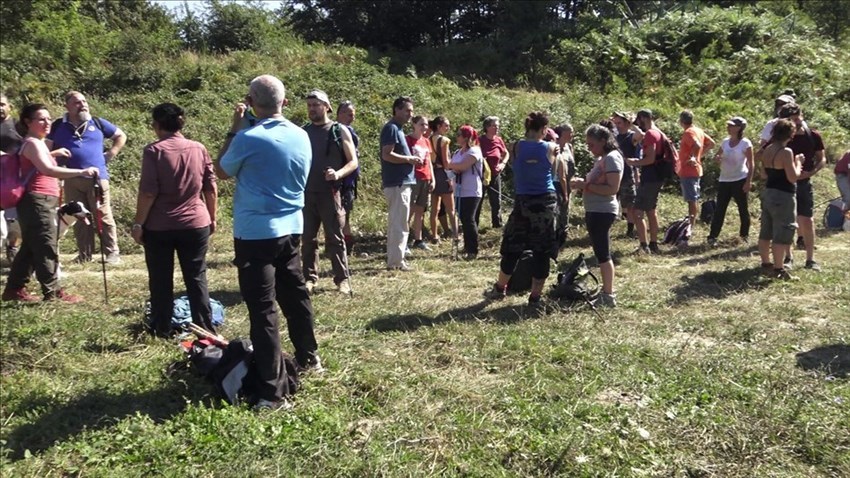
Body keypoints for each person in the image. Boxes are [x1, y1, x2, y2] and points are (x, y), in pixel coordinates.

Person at [215, 75, 321, 410]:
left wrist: (234, 128)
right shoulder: (302, 135)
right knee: (295, 293)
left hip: (256, 232)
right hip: (292, 227)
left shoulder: (247, 138)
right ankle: (309, 357)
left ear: (250, 102)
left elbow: (221, 171)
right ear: (285, 103)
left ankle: (272, 392)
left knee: (263, 309)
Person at [131, 103, 218, 336]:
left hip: (160, 226)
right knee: (196, 276)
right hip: (195, 222)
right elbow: (210, 187)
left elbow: (148, 192)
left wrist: (138, 223)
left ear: (157, 124)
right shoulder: (199, 148)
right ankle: (205, 327)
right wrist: (212, 217)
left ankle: (161, 327)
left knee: (160, 278)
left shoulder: (154, 151)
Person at [1, 103, 98, 302]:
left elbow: (37, 164)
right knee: (46, 245)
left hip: (39, 200)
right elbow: (47, 170)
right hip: (37, 201)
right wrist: (82, 172)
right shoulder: (33, 144)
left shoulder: (35, 143)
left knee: (30, 247)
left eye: (49, 118)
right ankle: (53, 292)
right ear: (28, 122)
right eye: (41, 119)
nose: (47, 123)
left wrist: (54, 154)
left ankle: (13, 290)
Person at [484, 112, 561, 305]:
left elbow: (513, 164)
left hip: (523, 201)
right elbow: (553, 170)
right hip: (545, 202)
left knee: (512, 246)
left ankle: (500, 288)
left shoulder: (515, 146)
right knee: (542, 250)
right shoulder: (551, 147)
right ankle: (535, 297)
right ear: (544, 129)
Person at [47, 91, 127, 264]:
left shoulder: (97, 122)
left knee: (102, 214)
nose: (83, 105)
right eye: (77, 102)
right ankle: (85, 254)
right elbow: (46, 148)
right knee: (79, 216)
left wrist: (111, 153)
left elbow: (121, 136)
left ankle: (112, 254)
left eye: (84, 101)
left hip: (97, 178)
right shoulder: (58, 125)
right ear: (67, 106)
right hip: (70, 177)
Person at [302, 90, 358, 295]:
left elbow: (353, 161)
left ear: (326, 106)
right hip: (307, 192)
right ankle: (309, 278)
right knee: (308, 238)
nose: (312, 109)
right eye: (309, 105)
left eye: (316, 105)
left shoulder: (338, 130)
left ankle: (342, 280)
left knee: (335, 237)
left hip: (330, 192)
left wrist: (338, 174)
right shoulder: (303, 131)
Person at [570, 124, 624, 307]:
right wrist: (583, 184)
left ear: (603, 141)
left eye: (592, 144)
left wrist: (585, 185)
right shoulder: (603, 158)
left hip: (603, 211)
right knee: (601, 253)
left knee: (603, 254)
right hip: (595, 210)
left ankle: (608, 295)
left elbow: (612, 188)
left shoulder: (612, 158)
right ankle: (606, 291)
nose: (589, 148)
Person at [778, 103, 825, 271]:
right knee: (786, 220)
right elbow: (765, 154)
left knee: (807, 220)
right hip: (784, 183)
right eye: (792, 120)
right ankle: (788, 257)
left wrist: (811, 172)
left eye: (797, 118)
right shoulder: (780, 137)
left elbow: (822, 158)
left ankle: (810, 259)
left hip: (804, 183)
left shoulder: (813, 135)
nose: (796, 123)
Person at [757, 119, 802, 280]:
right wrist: (798, 163)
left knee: (766, 231)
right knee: (782, 232)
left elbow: (764, 175)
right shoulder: (786, 152)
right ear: (790, 134)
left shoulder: (768, 149)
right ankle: (779, 269)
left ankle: (765, 264)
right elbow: (792, 177)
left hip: (768, 193)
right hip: (783, 196)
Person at [380, 96, 420, 271]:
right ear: (396, 110)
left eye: (412, 111)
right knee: (399, 223)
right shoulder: (391, 128)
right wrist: (409, 159)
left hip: (401, 182)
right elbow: (387, 154)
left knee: (400, 222)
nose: (410, 114)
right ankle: (396, 262)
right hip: (397, 183)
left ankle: (397, 259)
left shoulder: (398, 129)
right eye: (407, 110)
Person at [626, 109, 668, 254]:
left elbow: (650, 159)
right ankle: (653, 244)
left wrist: (634, 162)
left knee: (637, 211)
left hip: (650, 178)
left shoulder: (650, 134)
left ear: (643, 118)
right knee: (651, 210)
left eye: (638, 120)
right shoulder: (659, 133)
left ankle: (644, 246)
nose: (638, 124)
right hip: (657, 177)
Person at [707, 117, 754, 245]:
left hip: (740, 179)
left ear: (739, 128)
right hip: (724, 179)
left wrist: (748, 181)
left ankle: (744, 236)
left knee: (743, 209)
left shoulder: (745, 143)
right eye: (728, 125)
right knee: (720, 209)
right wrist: (717, 159)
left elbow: (751, 164)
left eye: (731, 126)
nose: (728, 128)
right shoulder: (725, 142)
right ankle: (712, 237)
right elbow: (718, 156)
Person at [447, 125, 484, 260]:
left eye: (459, 135)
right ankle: (468, 247)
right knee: (464, 219)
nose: (456, 137)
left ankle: (473, 250)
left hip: (472, 191)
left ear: (466, 137)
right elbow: (453, 167)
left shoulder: (475, 151)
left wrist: (452, 166)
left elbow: (462, 166)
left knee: (469, 219)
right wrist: (453, 167)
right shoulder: (458, 152)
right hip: (459, 191)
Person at [677, 110, 716, 228]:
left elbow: (697, 145)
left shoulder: (688, 132)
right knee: (694, 197)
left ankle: (691, 224)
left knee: (691, 199)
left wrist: (694, 157)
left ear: (681, 121)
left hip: (689, 170)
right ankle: (692, 219)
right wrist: (700, 155)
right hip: (695, 169)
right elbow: (711, 143)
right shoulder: (698, 130)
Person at [611, 112, 643, 239]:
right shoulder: (615, 137)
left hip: (628, 174)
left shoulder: (631, 136)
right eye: (616, 123)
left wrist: (631, 124)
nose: (617, 125)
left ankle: (630, 231)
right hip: (614, 173)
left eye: (619, 123)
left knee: (630, 205)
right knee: (614, 201)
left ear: (626, 123)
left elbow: (641, 135)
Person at [406, 115, 435, 250]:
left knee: (420, 210)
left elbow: (429, 161)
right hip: (413, 178)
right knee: (409, 210)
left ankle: (418, 239)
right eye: (421, 124)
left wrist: (432, 178)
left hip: (425, 177)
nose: (424, 127)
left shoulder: (426, 141)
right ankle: (404, 240)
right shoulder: (408, 139)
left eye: (426, 125)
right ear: (414, 124)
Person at [1, 94, 23, 262]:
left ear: (10, 106)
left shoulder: (18, 126)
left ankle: (13, 248)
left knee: (14, 218)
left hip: (14, 180)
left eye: (2, 104)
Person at [476, 116, 509, 228]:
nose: (497, 128)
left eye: (498, 125)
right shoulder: (479, 140)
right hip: (481, 175)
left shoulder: (498, 140)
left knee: (496, 201)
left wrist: (503, 163)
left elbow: (506, 153)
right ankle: (474, 224)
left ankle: (497, 225)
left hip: (495, 175)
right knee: (478, 200)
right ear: (487, 127)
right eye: (494, 125)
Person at [428, 116, 457, 244]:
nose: (448, 128)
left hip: (432, 174)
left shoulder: (428, 139)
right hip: (443, 174)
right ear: (439, 126)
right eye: (446, 125)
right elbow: (446, 161)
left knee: (435, 209)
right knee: (451, 209)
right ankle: (455, 235)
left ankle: (434, 235)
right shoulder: (444, 140)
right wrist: (450, 177)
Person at [336, 100, 359, 254]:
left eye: (353, 114)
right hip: (340, 178)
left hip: (350, 179)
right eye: (350, 114)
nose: (352, 117)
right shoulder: (335, 131)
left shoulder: (350, 131)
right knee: (339, 212)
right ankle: (341, 242)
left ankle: (346, 241)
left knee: (346, 211)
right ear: (340, 114)